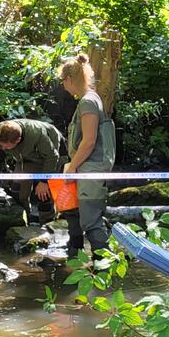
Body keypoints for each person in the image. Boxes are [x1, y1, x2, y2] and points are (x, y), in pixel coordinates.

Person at [56, 54, 116, 253]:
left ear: (70, 79)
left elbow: (89, 141)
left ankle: (103, 268)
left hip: (90, 169)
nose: (63, 86)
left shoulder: (88, 102)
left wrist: (72, 168)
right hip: (89, 168)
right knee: (86, 216)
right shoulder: (91, 99)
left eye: (63, 81)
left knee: (90, 221)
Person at [0, 118, 65, 225]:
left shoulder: (37, 133)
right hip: (25, 159)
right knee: (17, 190)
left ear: (18, 140)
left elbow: (52, 156)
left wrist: (44, 181)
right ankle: (23, 220)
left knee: (43, 194)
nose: (3, 149)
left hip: (51, 156)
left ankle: (47, 224)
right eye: (1, 145)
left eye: (6, 146)